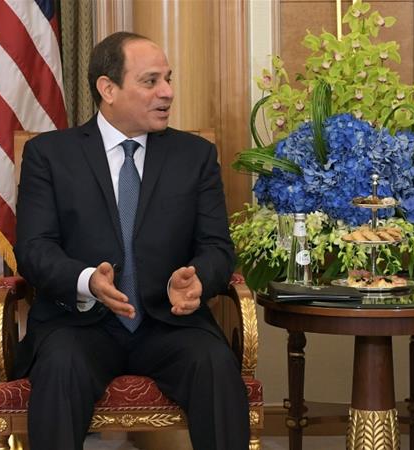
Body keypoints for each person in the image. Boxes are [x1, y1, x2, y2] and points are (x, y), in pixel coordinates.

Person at [13, 31, 249, 450]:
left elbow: (217, 246)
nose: (167, 92)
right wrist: (86, 280)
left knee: (214, 363)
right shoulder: (50, 155)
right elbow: (34, 249)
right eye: (151, 81)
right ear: (108, 89)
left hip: (169, 324)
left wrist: (198, 279)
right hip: (79, 324)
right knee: (61, 364)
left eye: (168, 79)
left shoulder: (193, 156)